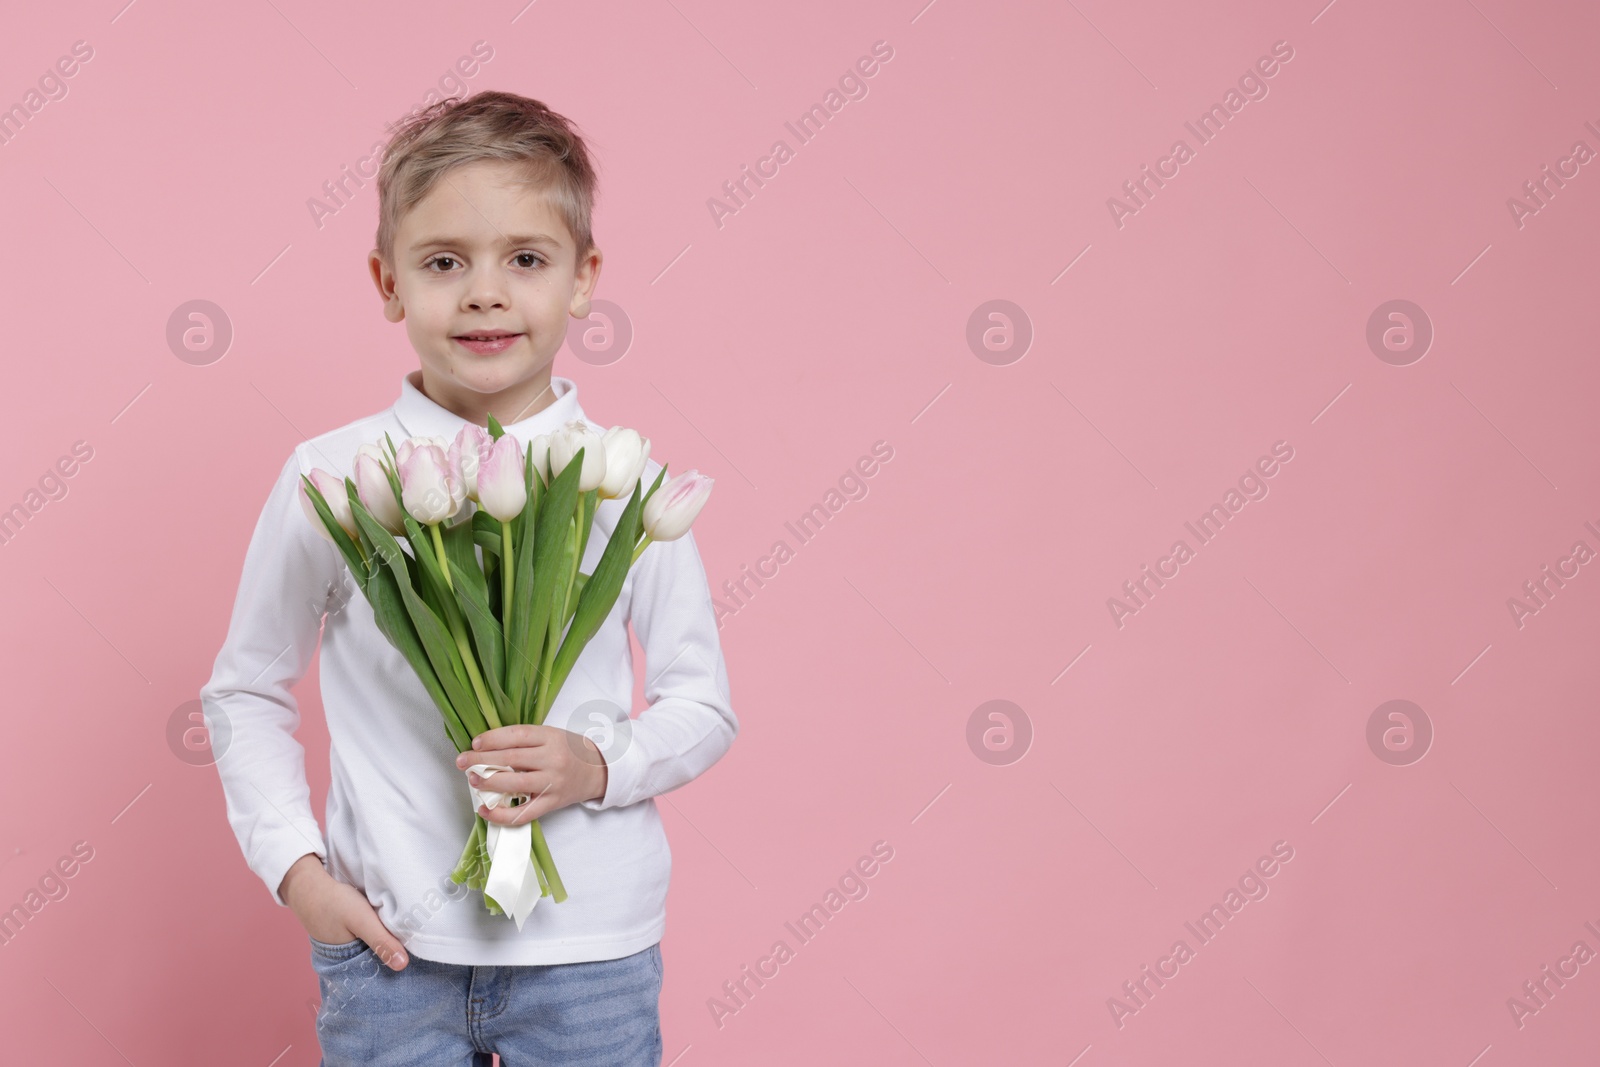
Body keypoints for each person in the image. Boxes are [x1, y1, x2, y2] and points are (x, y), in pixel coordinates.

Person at [198, 89, 738, 1067]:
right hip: (391, 945)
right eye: (444, 261)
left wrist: (596, 763)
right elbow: (245, 684)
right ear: (388, 280)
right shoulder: (335, 477)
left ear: (583, 279)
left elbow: (703, 703)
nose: (485, 293)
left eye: (526, 259)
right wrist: (297, 870)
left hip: (593, 950)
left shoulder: (626, 481)